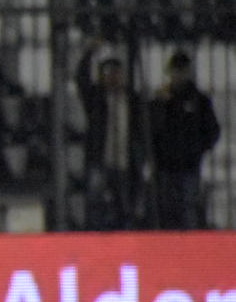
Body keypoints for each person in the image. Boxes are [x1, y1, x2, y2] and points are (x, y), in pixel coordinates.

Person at [74, 40, 145, 230]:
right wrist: (90, 52)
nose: (113, 77)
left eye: (116, 72)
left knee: (125, 207)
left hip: (124, 162)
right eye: (108, 73)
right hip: (100, 161)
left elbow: (141, 131)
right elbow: (81, 79)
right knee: (96, 206)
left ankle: (123, 237)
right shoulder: (96, 98)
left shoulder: (132, 99)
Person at [149, 50, 221, 230]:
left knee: (188, 207)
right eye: (175, 70)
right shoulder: (160, 99)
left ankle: (189, 241)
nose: (178, 75)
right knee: (165, 207)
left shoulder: (199, 100)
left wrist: (197, 149)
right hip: (164, 164)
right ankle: (166, 241)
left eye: (182, 70)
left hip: (189, 164)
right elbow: (150, 129)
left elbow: (212, 130)